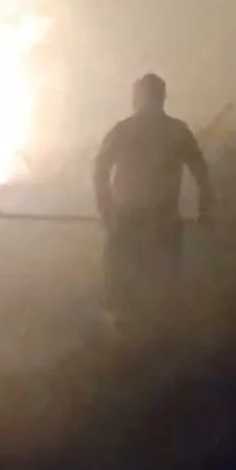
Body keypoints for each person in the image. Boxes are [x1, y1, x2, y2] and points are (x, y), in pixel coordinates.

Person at [93, 72, 214, 322]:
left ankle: (130, 340)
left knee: (124, 292)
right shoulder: (176, 131)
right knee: (162, 286)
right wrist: (206, 210)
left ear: (138, 98)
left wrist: (107, 210)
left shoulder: (124, 130)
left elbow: (100, 170)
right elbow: (201, 172)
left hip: (133, 221)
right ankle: (158, 336)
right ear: (161, 99)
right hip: (158, 221)